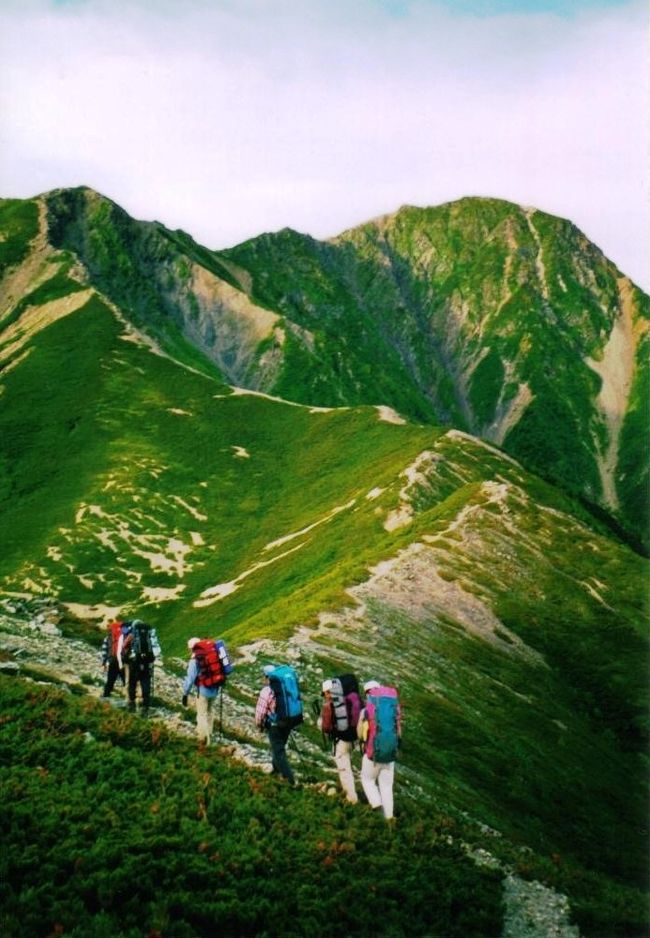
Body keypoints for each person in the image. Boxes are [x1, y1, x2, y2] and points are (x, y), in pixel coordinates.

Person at [357, 680, 401, 821]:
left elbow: (360, 734)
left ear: (368, 693)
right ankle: (389, 818)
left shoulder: (366, 710)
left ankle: (376, 805)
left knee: (367, 780)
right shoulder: (394, 707)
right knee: (387, 787)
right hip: (390, 755)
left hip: (373, 755)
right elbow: (398, 733)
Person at [254, 664, 296, 785]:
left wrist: (259, 724)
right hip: (287, 723)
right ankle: (275, 770)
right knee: (278, 747)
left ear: (267, 677)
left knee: (278, 751)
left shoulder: (266, 691)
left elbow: (260, 712)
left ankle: (290, 779)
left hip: (274, 725)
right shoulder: (284, 688)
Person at [320, 678, 359, 804]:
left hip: (340, 741)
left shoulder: (329, 705)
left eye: (324, 693)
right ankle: (352, 795)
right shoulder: (348, 700)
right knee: (348, 766)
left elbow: (326, 728)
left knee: (344, 770)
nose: (324, 696)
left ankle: (351, 799)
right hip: (353, 738)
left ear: (327, 692)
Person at [182, 637, 223, 747]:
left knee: (201, 714)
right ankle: (209, 734)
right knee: (210, 711)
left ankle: (203, 738)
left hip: (202, 690)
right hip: (214, 688)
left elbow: (190, 679)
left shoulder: (194, 660)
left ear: (191, 648)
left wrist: (185, 694)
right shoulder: (211, 655)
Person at [118, 619, 161, 713]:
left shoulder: (132, 634)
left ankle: (132, 702)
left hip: (135, 662)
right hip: (146, 662)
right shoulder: (149, 634)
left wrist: (125, 656)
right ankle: (145, 705)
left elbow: (125, 645)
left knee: (132, 682)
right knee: (145, 682)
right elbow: (156, 649)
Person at [100, 619, 126, 698]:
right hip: (123, 661)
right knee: (126, 680)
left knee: (110, 680)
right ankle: (131, 699)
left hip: (113, 660)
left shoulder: (108, 638)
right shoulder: (125, 637)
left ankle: (106, 695)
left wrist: (104, 663)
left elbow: (104, 651)